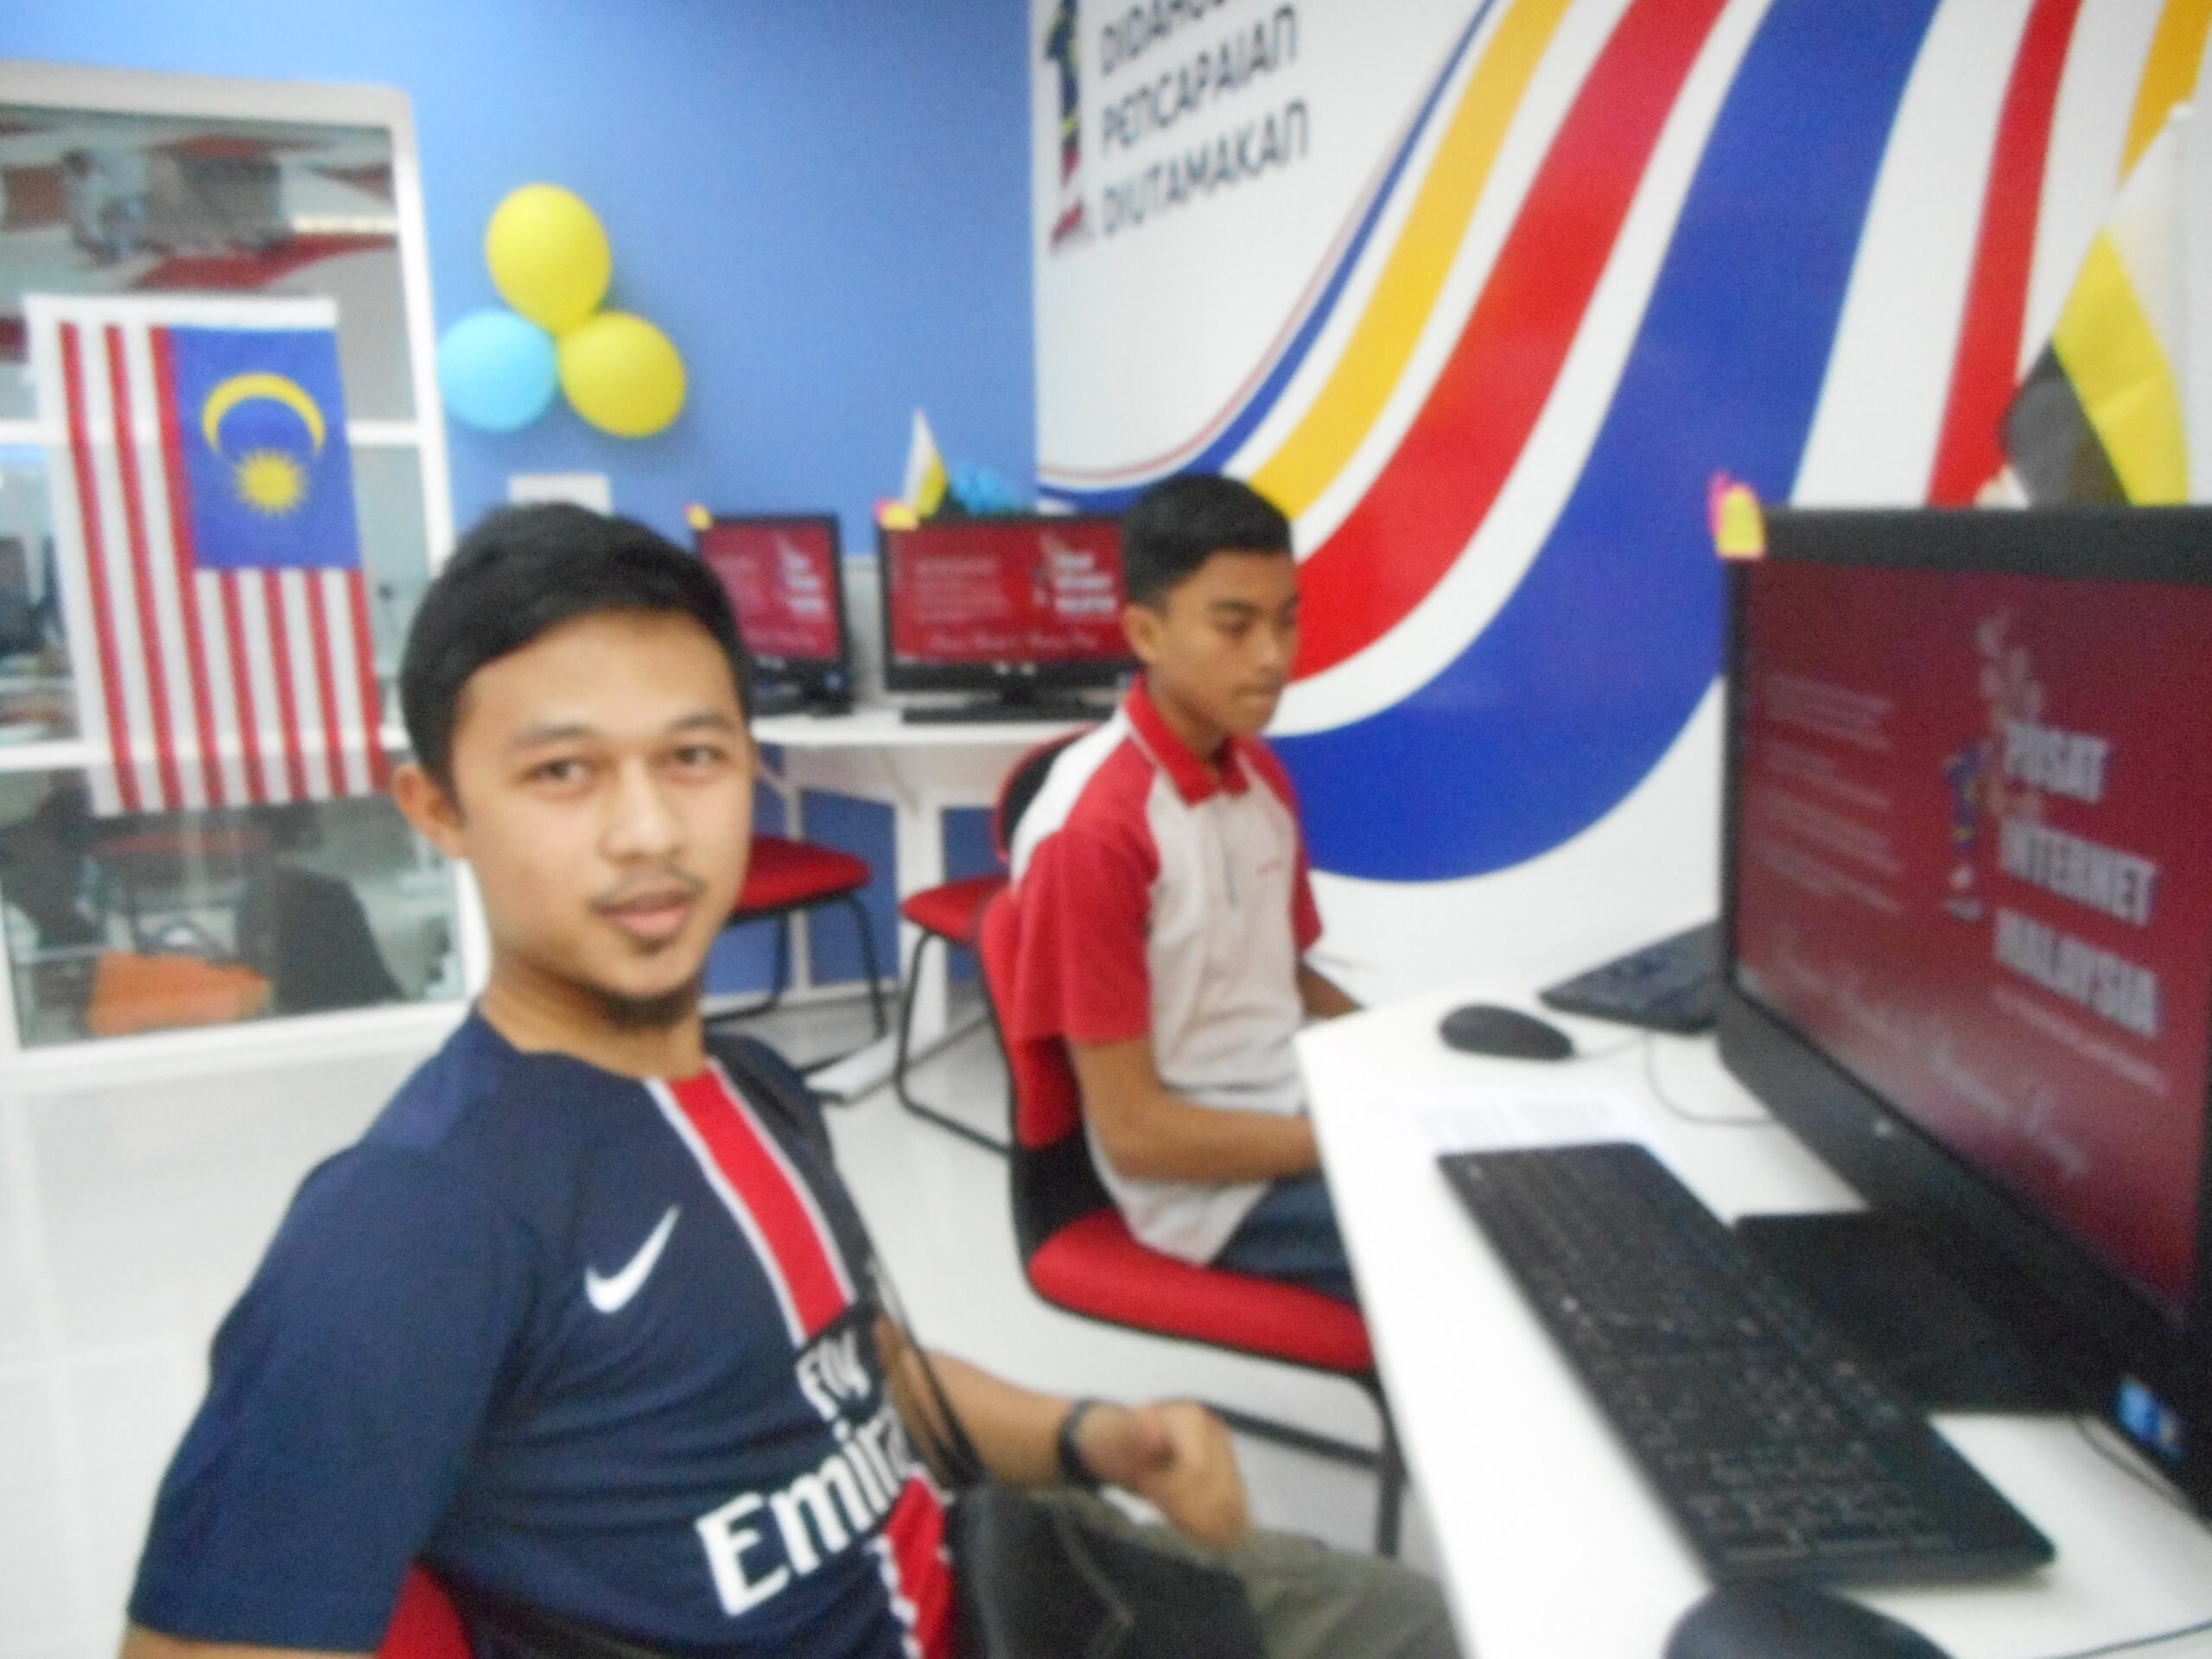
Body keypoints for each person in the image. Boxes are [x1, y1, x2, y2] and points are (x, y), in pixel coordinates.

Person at [118, 504, 1455, 1659]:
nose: (649, 830)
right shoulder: (411, 1225)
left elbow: (855, 1375)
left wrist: (1094, 1435)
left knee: (1426, 1619)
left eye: (693, 757)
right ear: (438, 811)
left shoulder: (757, 1087)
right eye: (564, 772)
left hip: (1003, 1577)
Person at [1001, 474, 1361, 1305]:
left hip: (1291, 1107)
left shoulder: (1259, 776)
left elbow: (1287, 973)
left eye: (1286, 620)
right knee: (1485, 1236)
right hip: (1207, 1192)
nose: (1273, 657)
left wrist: (1405, 1055)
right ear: (1145, 632)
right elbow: (1136, 1136)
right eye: (1235, 626)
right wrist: (1356, 1131)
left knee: (1509, 1171)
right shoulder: (1095, 837)